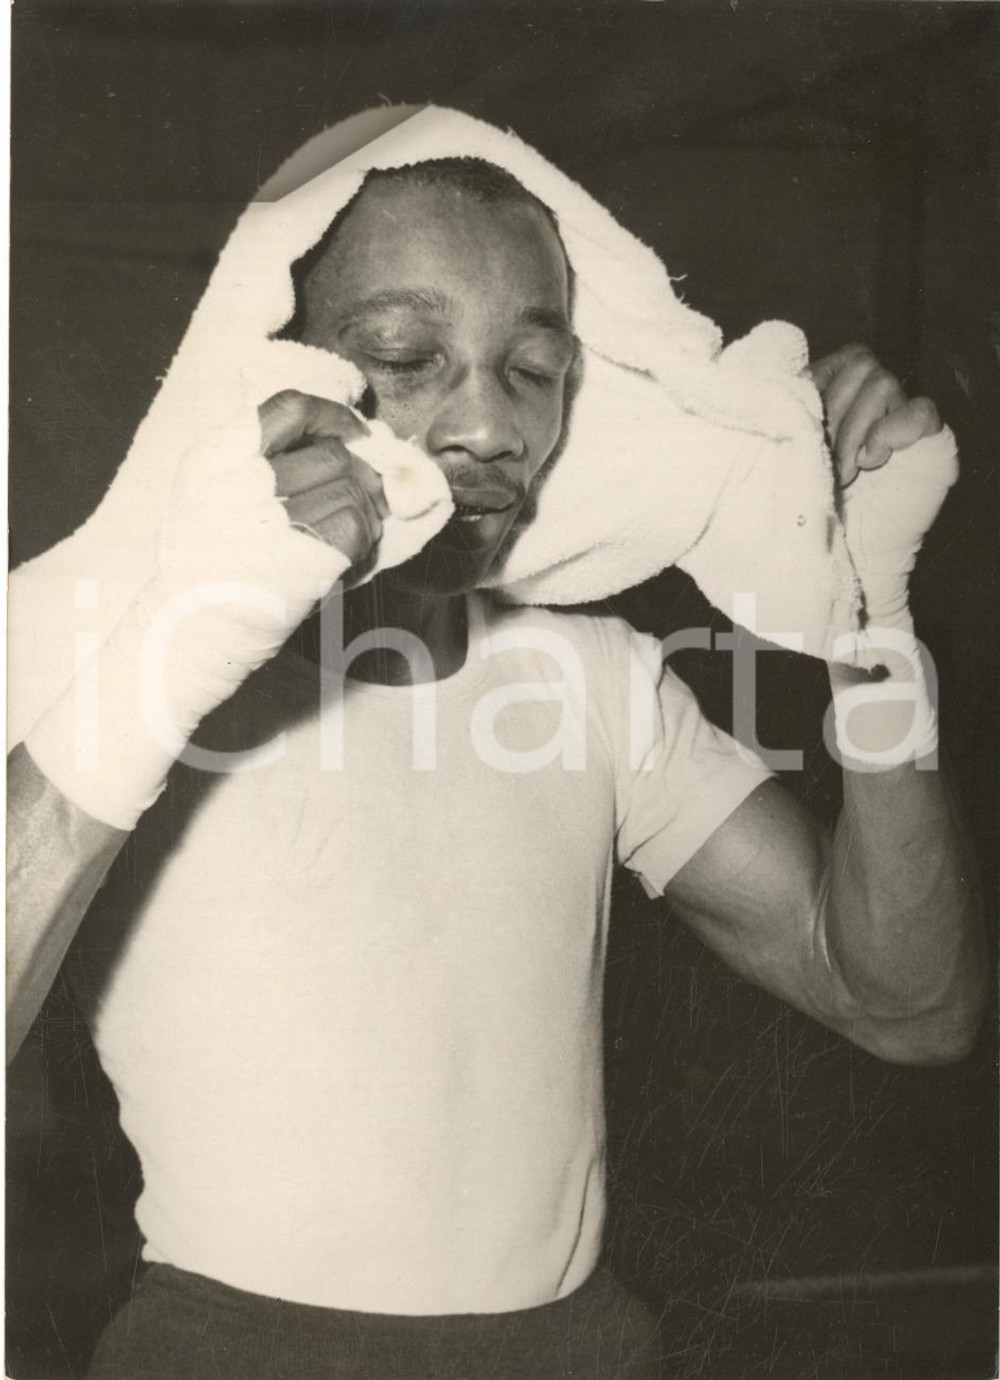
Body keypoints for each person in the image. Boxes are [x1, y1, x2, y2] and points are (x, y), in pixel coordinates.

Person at [7, 119, 986, 1380]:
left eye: (532, 367)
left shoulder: (591, 680)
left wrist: (871, 634)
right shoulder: (102, 655)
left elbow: (911, 1008)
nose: (487, 425)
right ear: (275, 367)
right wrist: (178, 644)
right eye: (409, 356)